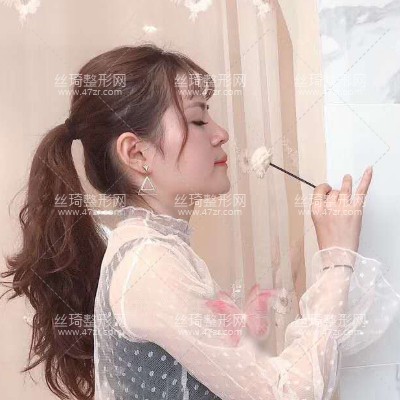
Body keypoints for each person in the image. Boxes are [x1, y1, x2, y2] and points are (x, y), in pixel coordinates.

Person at [1, 43, 399, 400]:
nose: (221, 134)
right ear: (137, 153)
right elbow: (287, 394)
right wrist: (337, 259)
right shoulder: (150, 264)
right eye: (197, 120)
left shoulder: (153, 251)